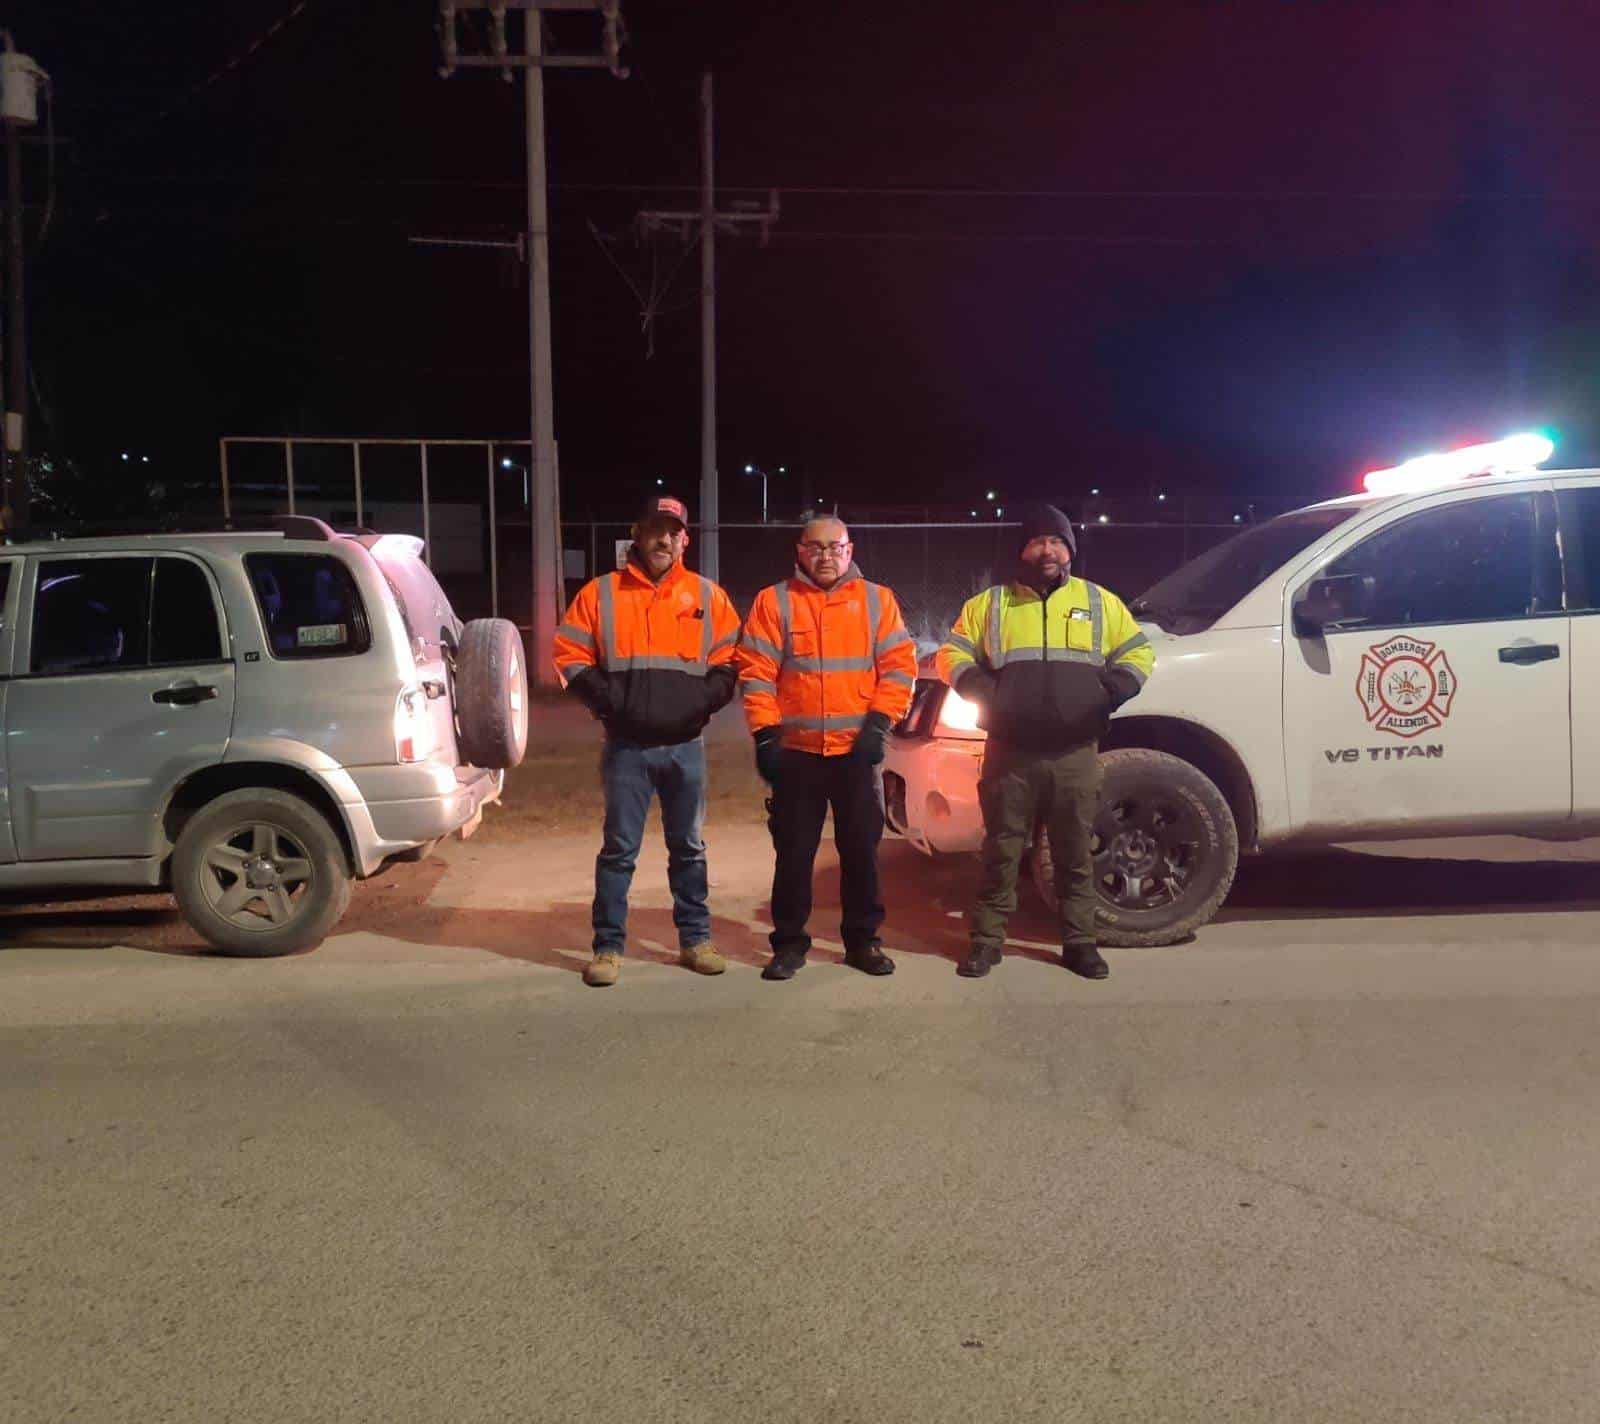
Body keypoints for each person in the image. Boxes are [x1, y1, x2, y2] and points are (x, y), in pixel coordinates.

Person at [937, 503, 1155, 981]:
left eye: (1057, 541)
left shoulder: (1100, 602)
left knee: (1074, 853)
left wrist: (1108, 694)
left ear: (1070, 550)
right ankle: (986, 942)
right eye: (1038, 541)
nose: (1048, 550)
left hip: (1074, 752)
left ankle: (1080, 944)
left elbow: (1138, 651)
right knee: (1001, 850)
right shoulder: (989, 605)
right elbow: (951, 653)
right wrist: (984, 692)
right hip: (1009, 753)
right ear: (1023, 550)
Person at [553, 495, 742, 987]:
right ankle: (607, 948)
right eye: (655, 529)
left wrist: (697, 704)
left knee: (690, 849)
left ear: (685, 539)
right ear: (636, 533)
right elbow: (569, 655)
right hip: (627, 750)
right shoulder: (601, 594)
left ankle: (695, 940)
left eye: (673, 531)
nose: (664, 539)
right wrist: (613, 703)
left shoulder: (708, 596)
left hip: (686, 748)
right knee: (619, 851)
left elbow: (728, 664)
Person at [737, 515, 919, 981]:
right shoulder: (773, 601)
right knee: (794, 853)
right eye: (815, 548)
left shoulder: (878, 602)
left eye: (834, 547)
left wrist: (879, 725)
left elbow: (898, 668)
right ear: (800, 551)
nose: (825, 556)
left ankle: (862, 942)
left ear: (850, 550)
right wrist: (765, 734)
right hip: (796, 753)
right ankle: (790, 944)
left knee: (860, 851)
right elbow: (756, 672)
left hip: (857, 753)